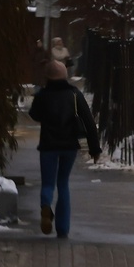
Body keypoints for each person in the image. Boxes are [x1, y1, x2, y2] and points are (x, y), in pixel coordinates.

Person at [29, 60, 101, 238]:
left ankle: (46, 206)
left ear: (48, 76)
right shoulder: (74, 94)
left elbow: (34, 114)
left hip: (48, 146)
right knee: (63, 184)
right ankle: (62, 228)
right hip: (69, 146)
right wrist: (94, 149)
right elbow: (89, 122)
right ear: (65, 75)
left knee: (47, 183)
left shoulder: (42, 95)